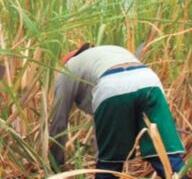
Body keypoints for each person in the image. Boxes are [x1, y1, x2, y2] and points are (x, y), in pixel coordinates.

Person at [49, 43, 187, 178]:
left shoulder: (67, 69)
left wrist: (55, 164)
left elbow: (59, 121)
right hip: (149, 81)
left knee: (110, 164)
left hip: (112, 86)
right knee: (163, 154)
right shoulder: (111, 52)